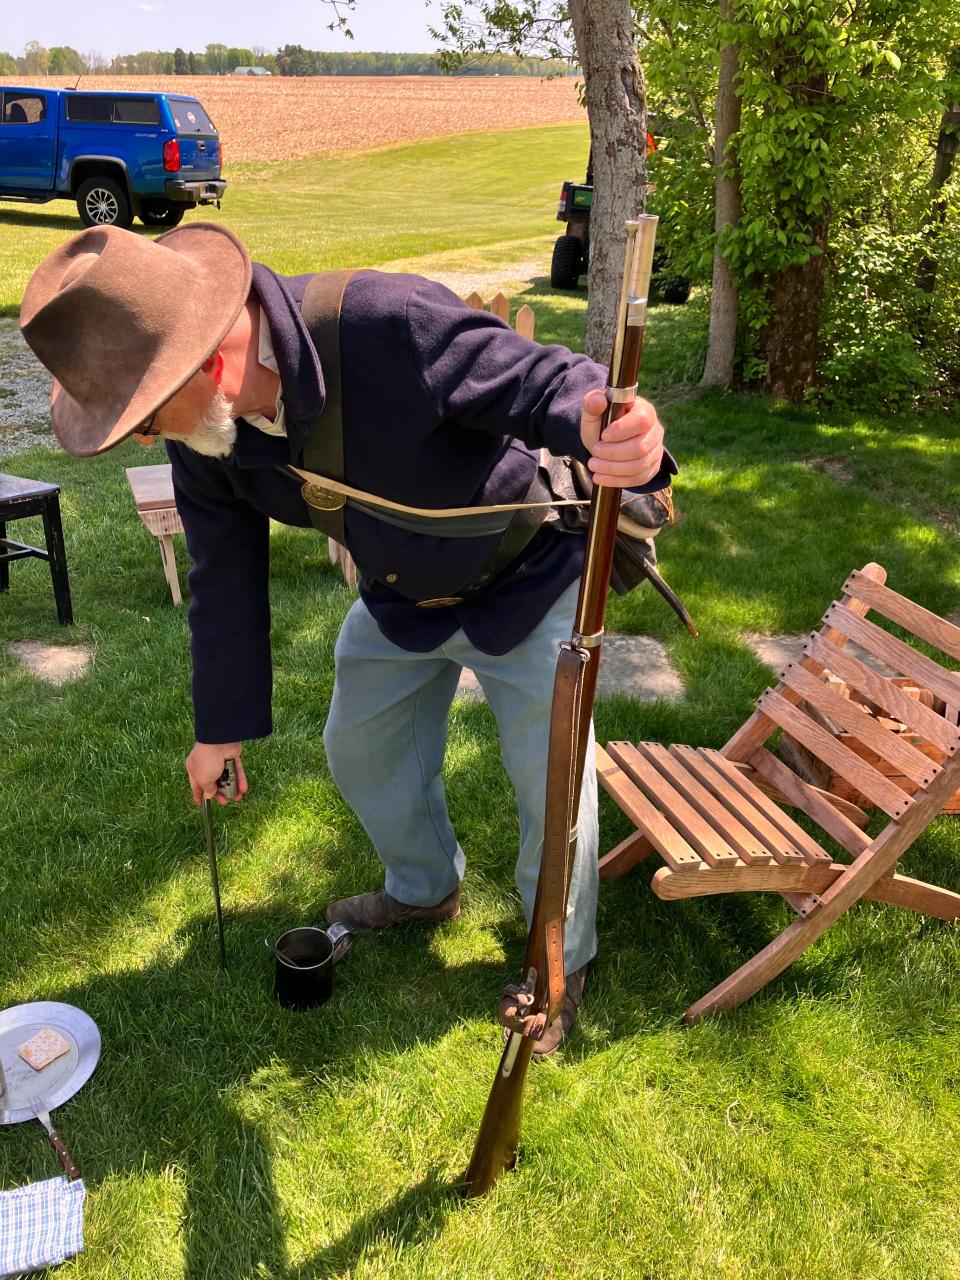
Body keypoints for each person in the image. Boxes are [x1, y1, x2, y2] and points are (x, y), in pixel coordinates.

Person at [21, 222, 675, 1053]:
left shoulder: (386, 322)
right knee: (360, 751)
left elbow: (544, 380)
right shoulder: (205, 436)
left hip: (524, 581)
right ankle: (424, 888)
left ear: (211, 365)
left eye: (143, 420)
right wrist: (218, 729)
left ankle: (559, 963)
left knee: (552, 786)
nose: (146, 439)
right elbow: (223, 579)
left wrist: (608, 428)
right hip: (401, 601)